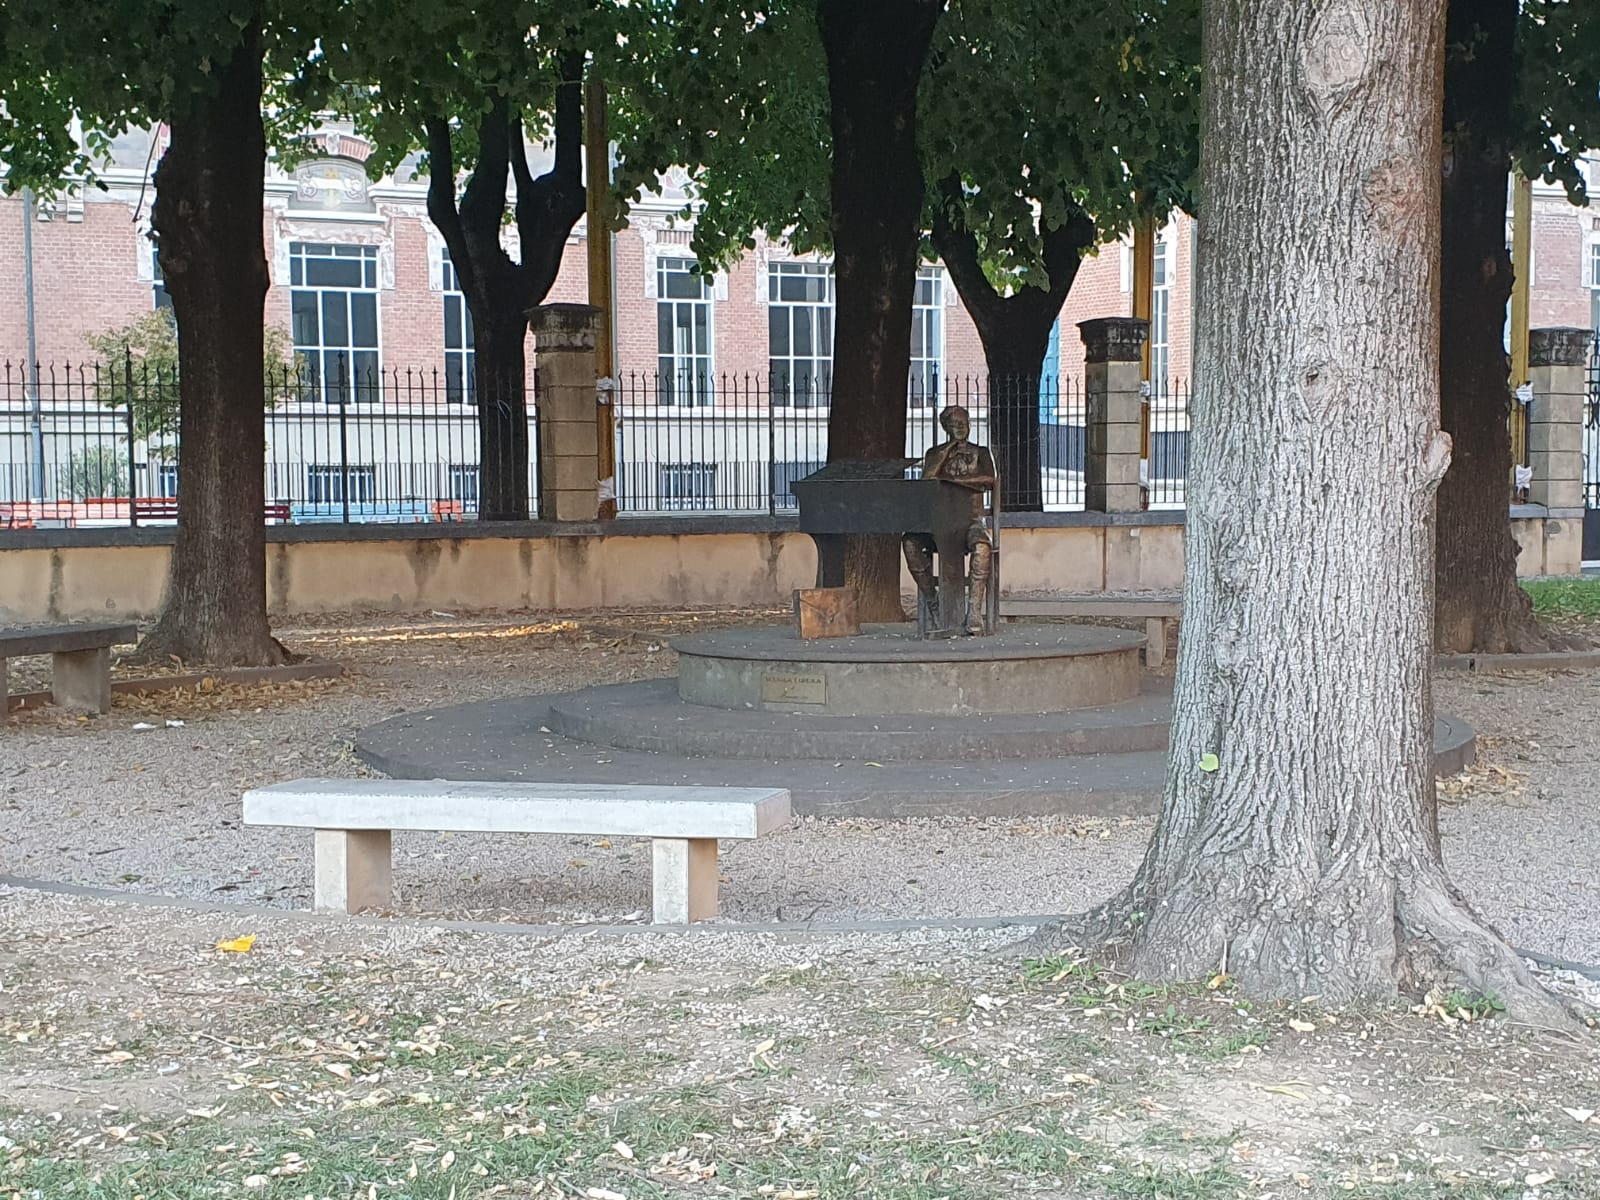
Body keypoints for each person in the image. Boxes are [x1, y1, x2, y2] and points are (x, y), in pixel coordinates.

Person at [902, 405, 996, 634]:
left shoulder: (981, 452)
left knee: (983, 547)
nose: (962, 428)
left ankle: (974, 610)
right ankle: (933, 604)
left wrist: (953, 481)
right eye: (955, 424)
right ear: (946, 427)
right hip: (939, 524)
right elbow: (927, 479)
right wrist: (945, 452)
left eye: (965, 423)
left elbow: (990, 480)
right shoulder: (935, 454)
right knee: (910, 543)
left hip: (970, 522)